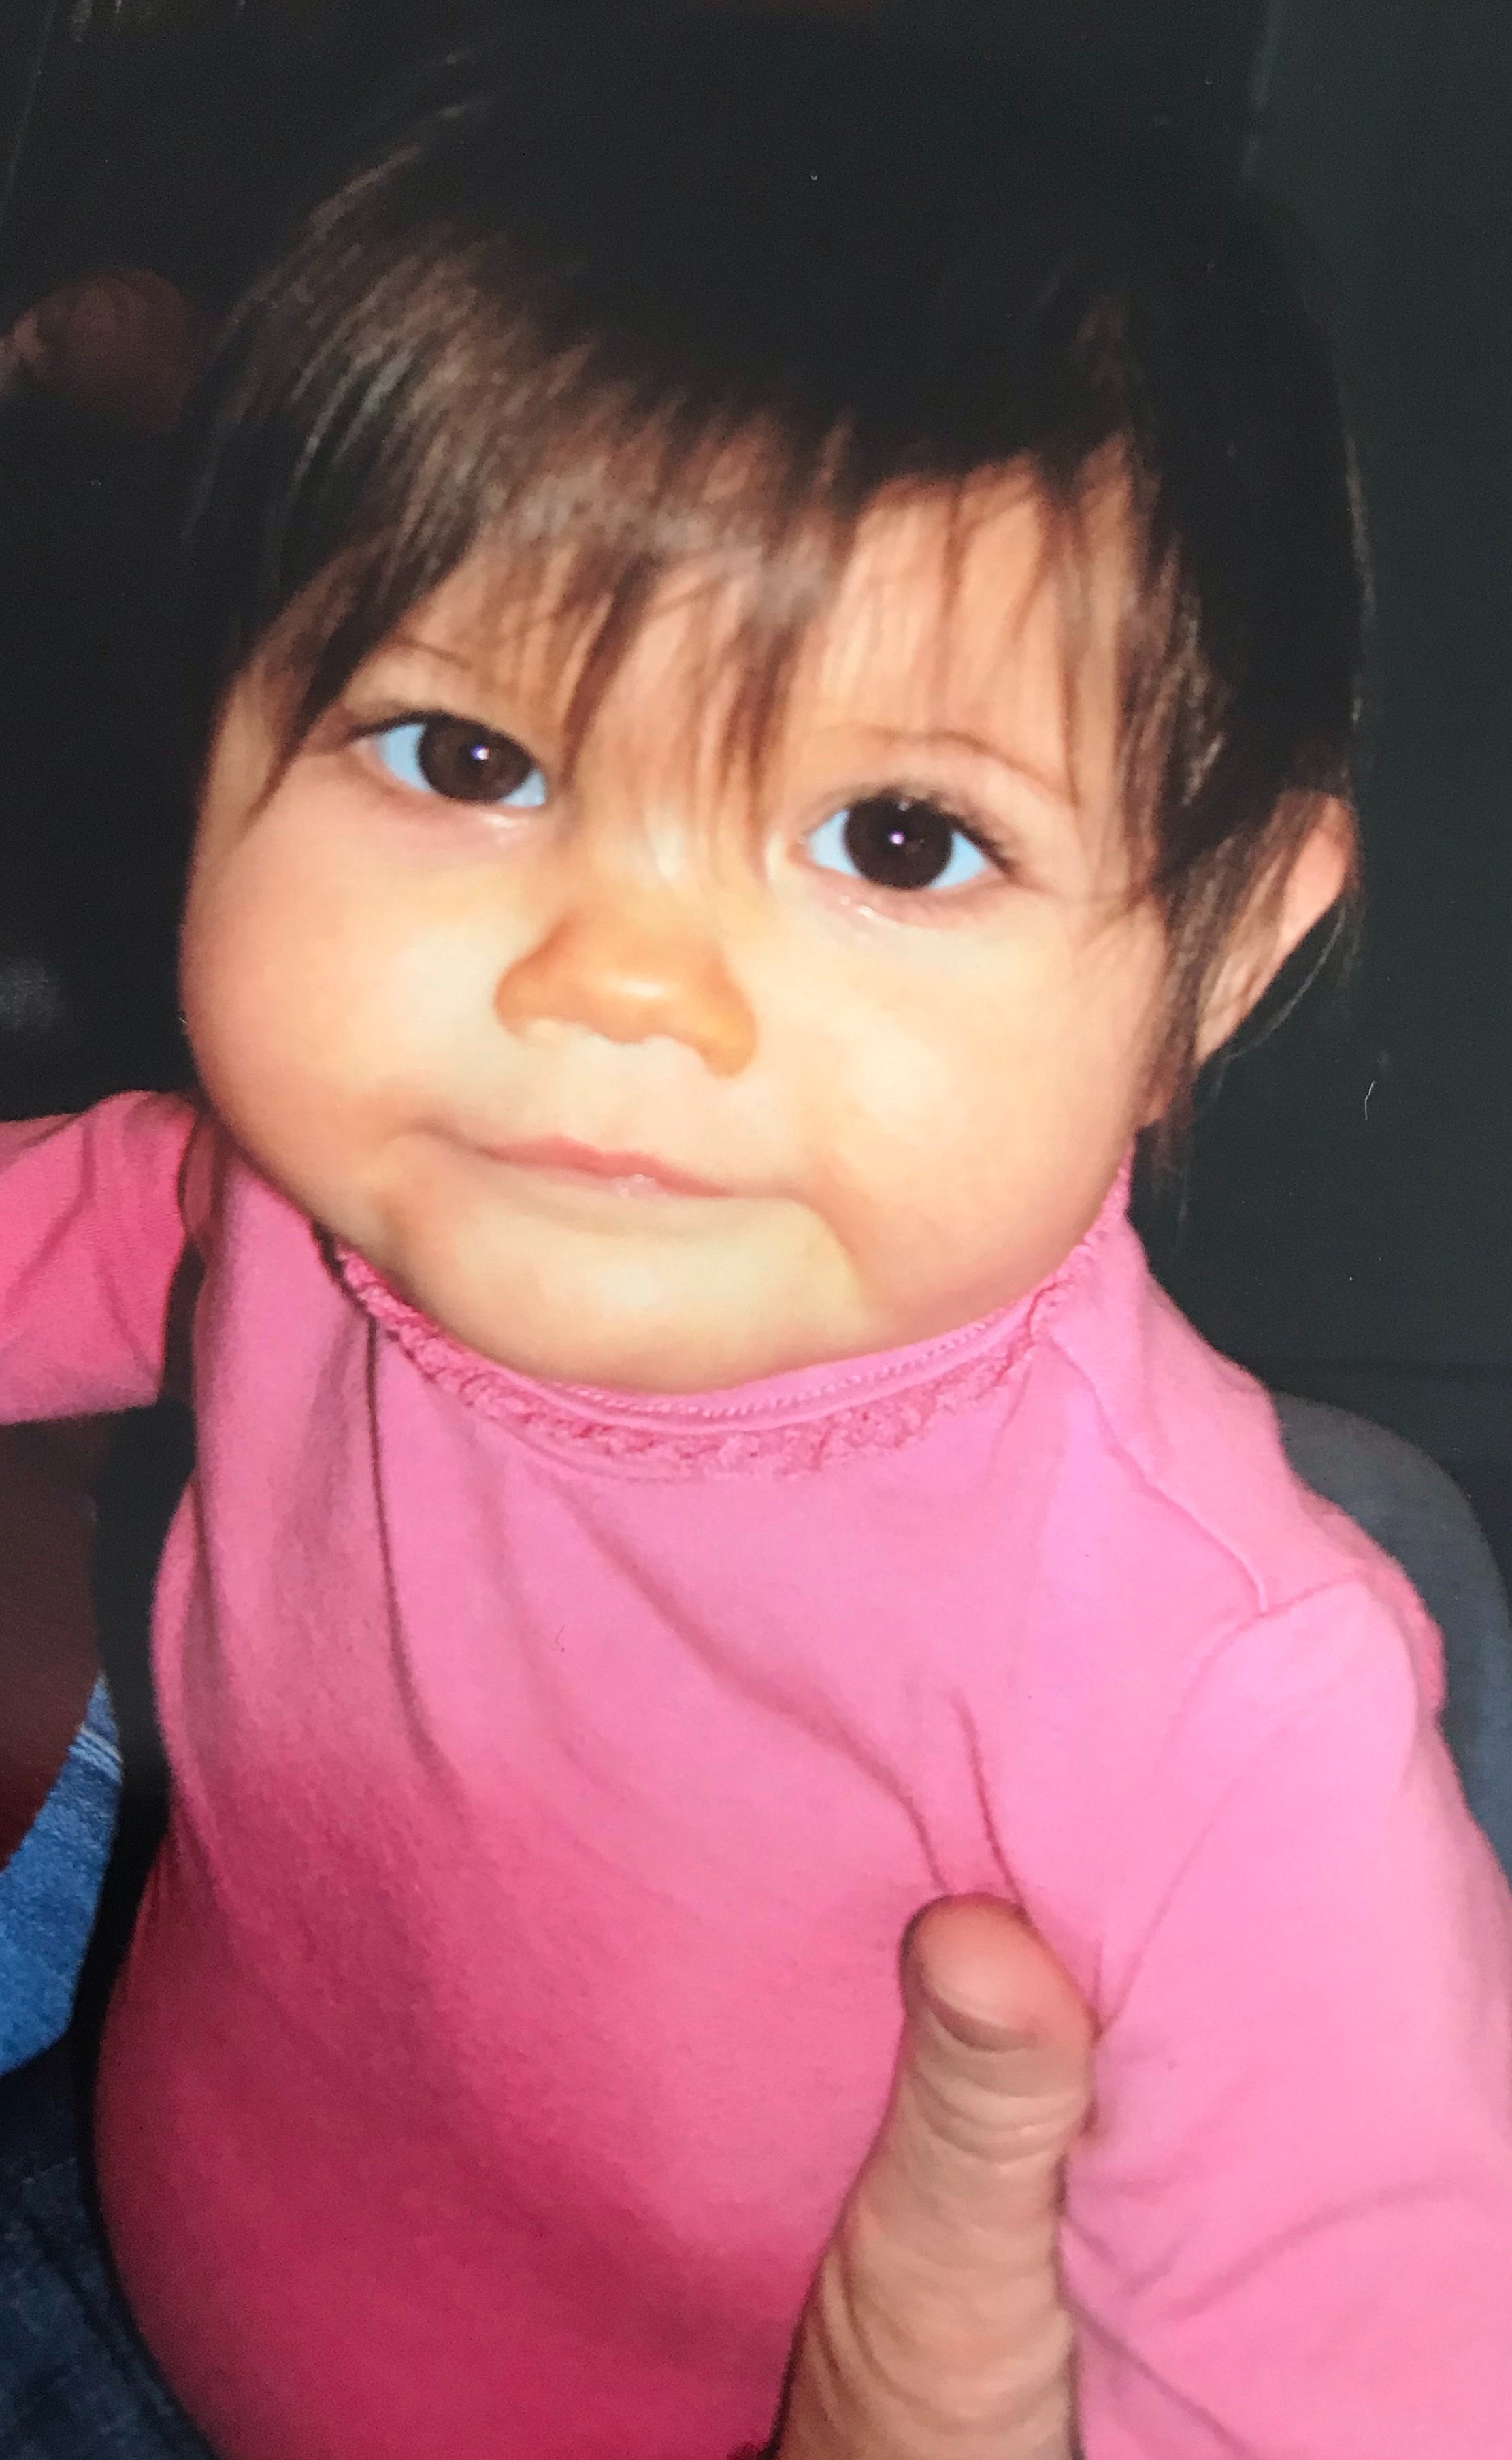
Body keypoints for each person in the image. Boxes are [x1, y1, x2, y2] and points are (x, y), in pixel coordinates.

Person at [0, 10, 1509, 2455]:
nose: (618, 980)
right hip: (110, 2231)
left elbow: (1361, 2388)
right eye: (466, 756)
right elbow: (81, 1223)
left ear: (1214, 965)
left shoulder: (1229, 1714)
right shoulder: (299, 1186)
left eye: (901, 838)